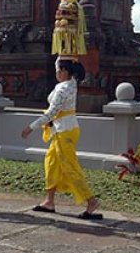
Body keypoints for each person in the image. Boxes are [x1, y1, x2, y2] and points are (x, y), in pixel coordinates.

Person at [21, 58, 101, 219]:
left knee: (70, 166)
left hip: (64, 131)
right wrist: (64, 50)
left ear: (64, 71)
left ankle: (91, 200)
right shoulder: (71, 83)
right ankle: (49, 201)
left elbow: (51, 113)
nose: (56, 72)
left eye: (58, 69)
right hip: (63, 129)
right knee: (51, 162)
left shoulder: (63, 89)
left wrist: (31, 127)